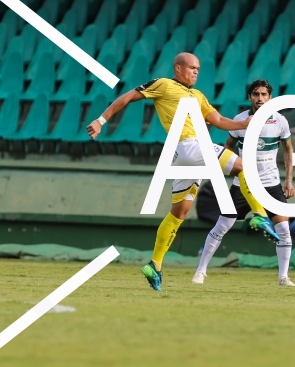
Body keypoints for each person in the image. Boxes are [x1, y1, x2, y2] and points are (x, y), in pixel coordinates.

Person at [86, 52, 278, 291]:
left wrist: (241, 124)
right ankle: (259, 215)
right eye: (191, 67)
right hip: (190, 145)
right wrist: (101, 120)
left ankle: (154, 264)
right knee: (244, 167)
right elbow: (127, 97)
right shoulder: (164, 84)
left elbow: (217, 119)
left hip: (182, 157)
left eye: (198, 68)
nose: (196, 71)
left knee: (179, 213)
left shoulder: (197, 95)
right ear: (178, 68)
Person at [192, 79, 295, 287]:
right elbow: (228, 147)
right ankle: (200, 271)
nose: (260, 98)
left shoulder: (280, 121)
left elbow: (288, 148)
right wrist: (228, 169)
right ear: (250, 97)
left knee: (284, 228)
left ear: (270, 97)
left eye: (264, 94)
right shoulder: (240, 121)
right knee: (223, 225)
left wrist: (289, 179)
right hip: (243, 184)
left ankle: (283, 277)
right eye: (256, 94)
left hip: (270, 184)